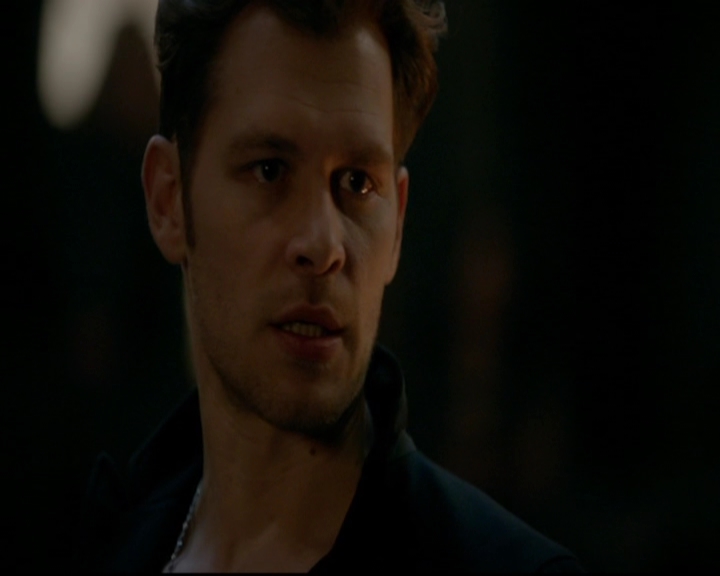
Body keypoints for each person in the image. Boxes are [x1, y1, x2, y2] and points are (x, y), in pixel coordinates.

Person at [77, 0, 582, 572]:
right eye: (269, 169)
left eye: (358, 183)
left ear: (398, 227)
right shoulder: (111, 542)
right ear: (168, 201)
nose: (322, 245)